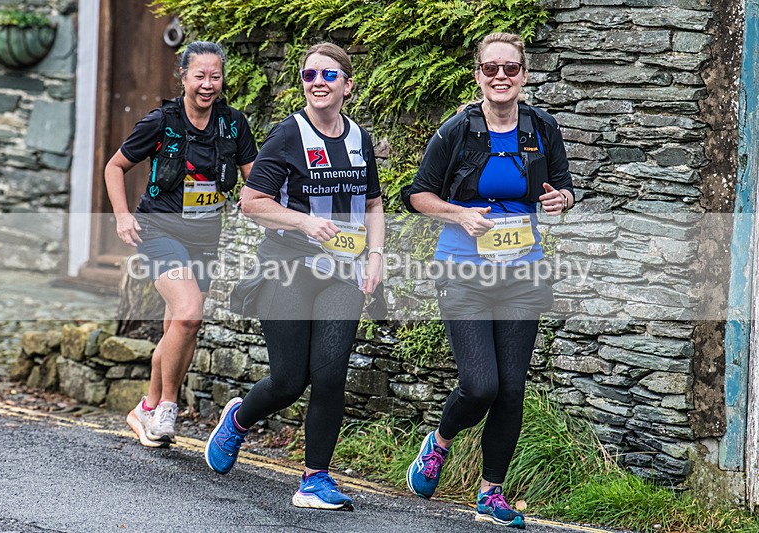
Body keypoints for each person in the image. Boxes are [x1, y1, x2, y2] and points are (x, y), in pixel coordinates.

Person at [401, 32, 574, 528]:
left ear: (524, 75)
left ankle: (490, 493)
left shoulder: (542, 127)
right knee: (480, 385)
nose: (501, 76)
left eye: (511, 68)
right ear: (477, 74)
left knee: (512, 389)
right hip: (464, 270)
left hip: (522, 271)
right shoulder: (456, 130)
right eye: (491, 68)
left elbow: (563, 187)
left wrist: (560, 199)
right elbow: (418, 196)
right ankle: (439, 443)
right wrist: (458, 214)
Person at [204, 42, 384, 511]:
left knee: (329, 375)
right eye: (309, 75)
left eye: (328, 75)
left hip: (343, 271)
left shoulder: (358, 138)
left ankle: (314, 480)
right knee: (288, 381)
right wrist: (304, 222)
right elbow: (251, 201)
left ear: (347, 84)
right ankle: (239, 420)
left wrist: (377, 255)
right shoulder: (289, 135)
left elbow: (372, 203)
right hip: (287, 266)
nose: (318, 83)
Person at [104, 41, 257, 448]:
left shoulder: (233, 125)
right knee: (189, 314)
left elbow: (254, 178)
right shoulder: (162, 122)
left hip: (205, 239)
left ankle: (147, 407)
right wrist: (122, 216)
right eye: (200, 76)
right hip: (159, 231)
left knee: (179, 328)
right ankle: (167, 405)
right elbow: (115, 167)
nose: (208, 84)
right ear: (184, 77)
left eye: (215, 76)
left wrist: (255, 196)